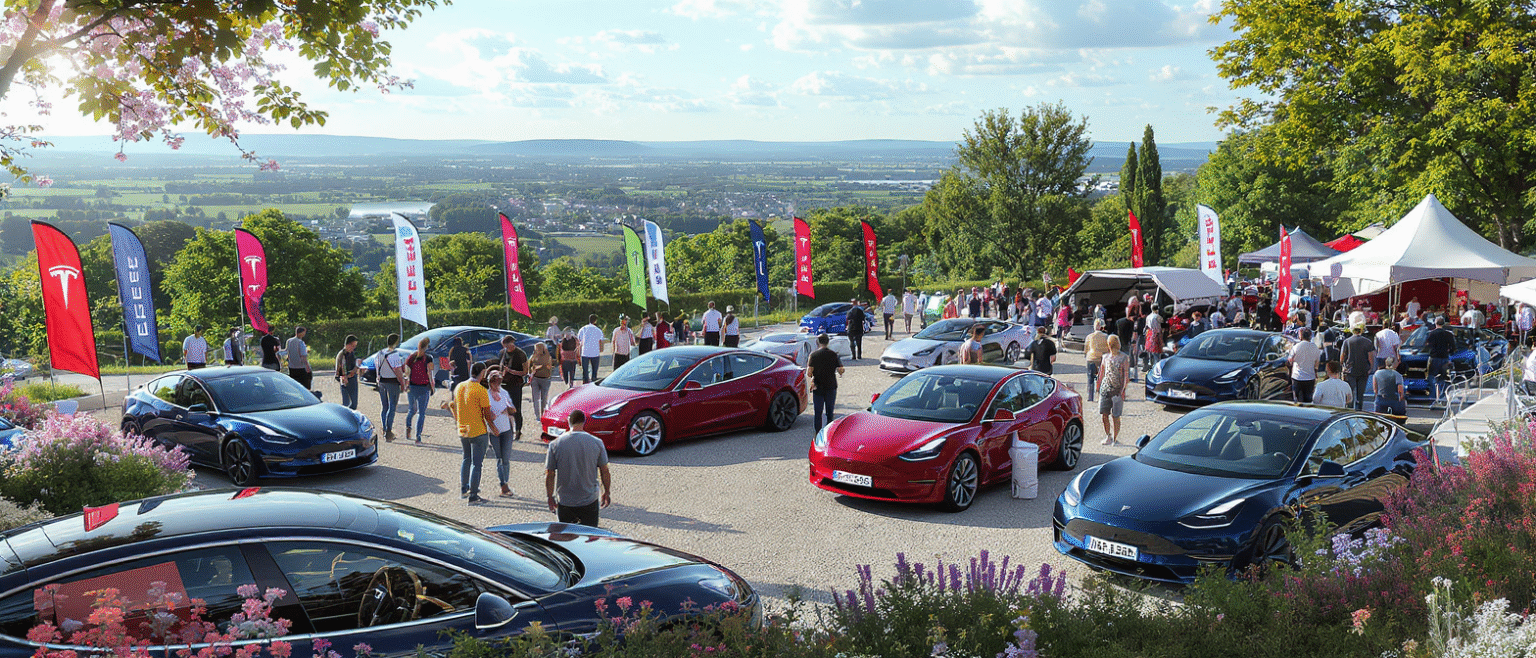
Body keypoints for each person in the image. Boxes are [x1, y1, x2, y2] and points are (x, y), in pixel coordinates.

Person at [545, 409, 612, 526]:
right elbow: (604, 471)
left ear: (569, 422)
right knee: (588, 536)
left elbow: (550, 473)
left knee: (567, 537)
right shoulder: (597, 442)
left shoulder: (555, 444)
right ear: (584, 422)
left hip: (566, 500)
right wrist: (606, 492)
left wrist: (550, 497)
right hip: (589, 499)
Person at [451, 362, 496, 505]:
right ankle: (474, 496)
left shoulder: (460, 386)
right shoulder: (481, 390)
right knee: (477, 464)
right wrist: (494, 427)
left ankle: (464, 488)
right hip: (478, 430)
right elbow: (487, 414)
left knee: (466, 459)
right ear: (482, 372)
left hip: (462, 429)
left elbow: (456, 406)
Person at [485, 368, 517, 499]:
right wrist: (491, 421)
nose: (496, 385)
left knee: (506, 459)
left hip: (507, 429)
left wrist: (509, 409)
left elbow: (513, 409)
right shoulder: (486, 395)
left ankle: (505, 483)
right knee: (499, 458)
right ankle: (503, 485)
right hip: (494, 431)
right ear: (489, 383)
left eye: (498, 382)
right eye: (494, 382)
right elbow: (485, 414)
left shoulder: (504, 393)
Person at [806, 333, 845, 431]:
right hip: (831, 386)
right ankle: (828, 433)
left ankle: (818, 433)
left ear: (818, 342)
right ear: (828, 342)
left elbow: (809, 373)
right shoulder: (834, 354)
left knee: (818, 413)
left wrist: (814, 374)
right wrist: (839, 372)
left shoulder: (813, 355)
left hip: (818, 386)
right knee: (830, 412)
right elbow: (841, 369)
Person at [1098, 335, 1130, 445]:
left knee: (1115, 416)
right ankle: (1109, 436)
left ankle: (1115, 438)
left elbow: (1126, 376)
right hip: (1105, 389)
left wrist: (1123, 391)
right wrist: (1098, 386)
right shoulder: (1105, 357)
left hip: (1117, 390)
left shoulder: (1124, 357)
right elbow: (1101, 373)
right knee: (1105, 415)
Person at [374, 333, 406, 442]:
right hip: (392, 382)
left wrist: (378, 380)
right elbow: (398, 371)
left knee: (384, 407)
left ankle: (384, 428)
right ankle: (388, 431)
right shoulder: (394, 355)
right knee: (392, 407)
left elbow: (377, 367)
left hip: (382, 382)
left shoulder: (380, 353)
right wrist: (402, 383)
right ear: (396, 342)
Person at [403, 337, 435, 443]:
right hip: (424, 387)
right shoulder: (429, 358)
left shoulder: (411, 357)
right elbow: (430, 374)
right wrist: (432, 386)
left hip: (412, 386)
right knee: (421, 413)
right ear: (426, 347)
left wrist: (406, 385)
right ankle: (418, 436)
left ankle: (408, 428)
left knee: (412, 410)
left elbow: (406, 373)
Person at [497, 335, 528, 439]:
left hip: (515, 384)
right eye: (504, 346)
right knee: (502, 408)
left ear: (512, 343)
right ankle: (506, 430)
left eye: (506, 345)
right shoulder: (502, 353)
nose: (505, 348)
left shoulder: (520, 354)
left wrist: (511, 371)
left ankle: (518, 430)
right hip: (503, 384)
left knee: (516, 409)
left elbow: (525, 372)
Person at [1339, 325, 1375, 411]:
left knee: (1350, 393)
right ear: (1361, 331)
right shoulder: (1368, 342)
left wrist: (1342, 366)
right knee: (1360, 394)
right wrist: (1370, 367)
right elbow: (1371, 357)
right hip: (1363, 370)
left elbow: (1342, 356)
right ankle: (1359, 411)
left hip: (1350, 370)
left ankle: (1349, 410)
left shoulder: (1347, 341)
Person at [1425, 317, 1457, 405]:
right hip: (1444, 358)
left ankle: (1433, 399)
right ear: (1443, 324)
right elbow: (1453, 347)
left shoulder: (1431, 334)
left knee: (1432, 378)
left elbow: (1427, 346)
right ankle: (1443, 398)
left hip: (1434, 358)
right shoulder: (1448, 334)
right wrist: (1448, 352)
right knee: (1443, 378)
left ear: (1435, 323)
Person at [1288, 328, 1321, 404]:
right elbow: (1317, 363)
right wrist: (1315, 372)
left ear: (1301, 336)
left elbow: (1290, 360)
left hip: (1297, 376)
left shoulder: (1296, 346)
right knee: (1308, 400)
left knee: (1297, 400)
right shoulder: (1315, 348)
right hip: (1310, 377)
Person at [1084, 319, 1110, 402]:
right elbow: (1109, 349)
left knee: (1090, 377)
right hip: (1102, 358)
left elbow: (1086, 348)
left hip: (1091, 357)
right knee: (1102, 377)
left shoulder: (1089, 336)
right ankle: (1102, 395)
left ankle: (1090, 396)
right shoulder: (1106, 336)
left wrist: (1086, 355)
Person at [334, 335, 360, 410]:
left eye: (355, 346)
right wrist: (347, 376)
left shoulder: (352, 353)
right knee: (346, 404)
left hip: (352, 378)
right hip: (345, 379)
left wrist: (357, 367)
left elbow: (354, 366)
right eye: (353, 346)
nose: (354, 348)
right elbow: (341, 373)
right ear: (347, 345)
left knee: (354, 404)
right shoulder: (341, 355)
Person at [529, 342, 555, 419]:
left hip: (545, 379)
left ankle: (543, 414)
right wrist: (530, 372)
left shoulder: (547, 356)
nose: (537, 350)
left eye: (538, 348)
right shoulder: (533, 356)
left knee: (544, 399)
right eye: (536, 348)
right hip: (535, 379)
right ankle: (537, 415)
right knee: (535, 398)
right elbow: (529, 365)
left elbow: (547, 365)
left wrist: (538, 367)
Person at [577, 314, 605, 383]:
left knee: (585, 372)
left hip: (585, 352)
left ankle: (585, 383)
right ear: (595, 321)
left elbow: (579, 339)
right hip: (595, 352)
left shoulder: (583, 329)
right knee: (594, 372)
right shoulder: (598, 330)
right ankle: (593, 381)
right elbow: (601, 340)